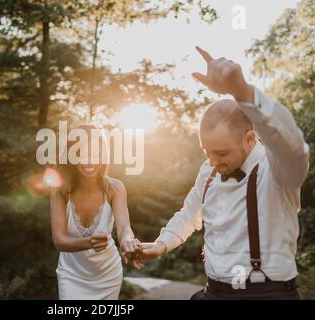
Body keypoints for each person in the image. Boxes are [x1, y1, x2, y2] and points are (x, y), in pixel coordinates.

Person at [130, 46, 310, 299]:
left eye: (222, 153)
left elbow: (293, 145)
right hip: (214, 292)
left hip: (267, 294)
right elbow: (189, 215)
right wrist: (161, 245)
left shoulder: (278, 169)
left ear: (249, 139)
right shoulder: (209, 171)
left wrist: (243, 91)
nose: (213, 161)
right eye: (207, 151)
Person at [50, 124, 141, 300]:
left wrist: (128, 242)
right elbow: (59, 240)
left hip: (107, 275)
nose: (88, 161)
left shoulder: (115, 188)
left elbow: (124, 228)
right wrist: (89, 242)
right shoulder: (60, 190)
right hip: (71, 275)